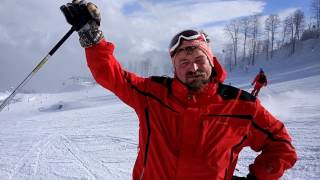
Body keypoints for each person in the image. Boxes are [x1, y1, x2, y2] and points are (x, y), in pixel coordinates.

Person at [61, 1, 297, 179]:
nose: (193, 67)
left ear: (212, 61)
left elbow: (282, 146)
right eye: (183, 62)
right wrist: (91, 36)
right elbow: (110, 75)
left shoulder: (242, 106)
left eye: (199, 58)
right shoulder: (152, 93)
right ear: (174, 68)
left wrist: (258, 177)